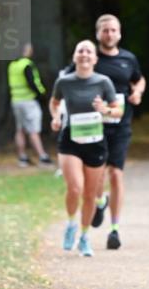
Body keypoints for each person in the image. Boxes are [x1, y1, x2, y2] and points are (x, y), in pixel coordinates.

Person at [50, 41, 119, 257]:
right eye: (80, 50)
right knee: (75, 189)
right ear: (74, 57)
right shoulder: (64, 82)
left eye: (89, 51)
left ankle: (84, 236)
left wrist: (105, 109)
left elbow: (118, 111)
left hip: (95, 142)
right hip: (70, 141)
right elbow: (54, 102)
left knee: (90, 195)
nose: (85, 54)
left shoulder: (103, 81)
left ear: (95, 59)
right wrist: (55, 117)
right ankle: (71, 224)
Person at [89, 14, 146, 249]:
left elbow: (139, 79)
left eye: (113, 30)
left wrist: (138, 92)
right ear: (98, 33)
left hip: (121, 124)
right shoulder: (90, 58)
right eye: (105, 30)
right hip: (95, 124)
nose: (109, 34)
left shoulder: (127, 58)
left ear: (119, 33)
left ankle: (114, 230)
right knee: (98, 174)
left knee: (116, 174)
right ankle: (100, 201)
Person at [7, 44, 53, 167]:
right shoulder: (27, 64)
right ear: (26, 51)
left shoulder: (12, 65)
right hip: (29, 101)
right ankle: (42, 156)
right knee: (34, 130)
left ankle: (22, 157)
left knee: (20, 129)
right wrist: (43, 94)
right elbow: (33, 82)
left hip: (16, 100)